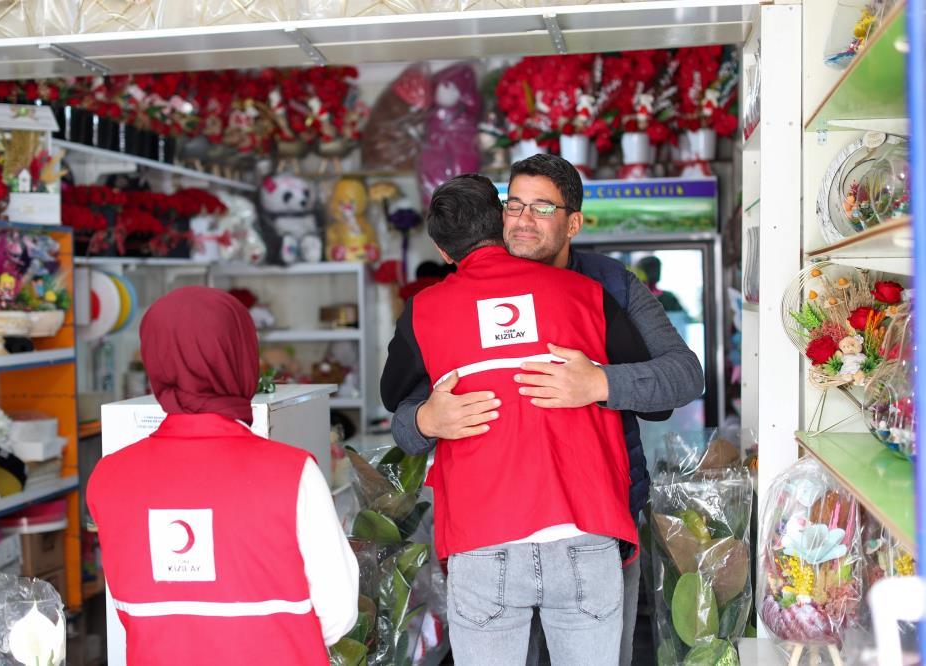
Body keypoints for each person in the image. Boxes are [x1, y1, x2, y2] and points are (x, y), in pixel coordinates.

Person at [389, 154, 705, 666]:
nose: (521, 220)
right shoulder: (449, 304)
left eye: (541, 208)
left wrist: (599, 381)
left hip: (598, 518)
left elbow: (685, 376)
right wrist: (426, 420)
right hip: (490, 527)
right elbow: (404, 413)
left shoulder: (610, 287)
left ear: (573, 222)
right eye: (512, 204)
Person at [87, 286, 359, 665]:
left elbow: (130, 606)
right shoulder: (292, 471)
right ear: (241, 356)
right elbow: (338, 612)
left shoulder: (108, 476)